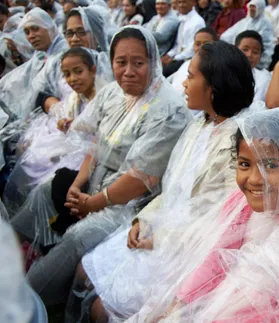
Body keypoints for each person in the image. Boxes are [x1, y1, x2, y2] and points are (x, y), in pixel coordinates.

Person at [74, 41, 256, 322]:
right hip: (164, 227)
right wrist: (143, 220)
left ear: (214, 87)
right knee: (86, 273)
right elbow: (174, 188)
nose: (183, 82)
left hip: (190, 248)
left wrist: (161, 238)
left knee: (101, 309)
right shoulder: (201, 124)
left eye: (192, 76)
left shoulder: (238, 142)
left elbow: (221, 222)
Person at [9, 26, 191, 307]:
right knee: (45, 191)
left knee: (79, 237)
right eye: (121, 62)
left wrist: (92, 203)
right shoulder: (114, 94)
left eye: (138, 63)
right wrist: (77, 185)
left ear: (153, 62)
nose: (128, 71)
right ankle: (12, 261)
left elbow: (139, 180)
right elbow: (97, 146)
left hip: (129, 205)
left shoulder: (169, 110)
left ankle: (28, 299)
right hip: (94, 189)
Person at [125, 106, 279, 322]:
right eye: (245, 164)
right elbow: (216, 256)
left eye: (270, 165)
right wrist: (180, 305)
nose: (254, 178)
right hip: (215, 304)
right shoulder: (241, 203)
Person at [2, 47, 105, 217]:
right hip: (74, 146)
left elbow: (98, 130)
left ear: (92, 70)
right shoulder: (75, 97)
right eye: (67, 74)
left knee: (47, 183)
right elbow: (69, 119)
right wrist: (65, 123)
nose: (73, 79)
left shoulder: (102, 95)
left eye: (78, 72)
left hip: (92, 152)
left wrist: (79, 125)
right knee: (31, 160)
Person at [0, 8, 68, 120]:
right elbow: (23, 75)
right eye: (27, 32)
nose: (31, 36)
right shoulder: (41, 54)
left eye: (35, 29)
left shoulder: (64, 52)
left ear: (49, 27)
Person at [166, 27, 217, 102]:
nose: (201, 48)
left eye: (206, 44)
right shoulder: (187, 63)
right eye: (197, 44)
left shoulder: (216, 69)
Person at [220, 0, 273, 69]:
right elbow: (226, 36)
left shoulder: (265, 24)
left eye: (254, 7)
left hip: (257, 64)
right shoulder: (245, 21)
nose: (251, 9)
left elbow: (264, 45)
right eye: (250, 7)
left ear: (260, 8)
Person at [162, 0, 205, 77]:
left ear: (194, 3)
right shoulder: (182, 19)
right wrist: (168, 55)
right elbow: (178, 44)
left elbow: (192, 48)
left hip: (189, 59)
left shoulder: (197, 22)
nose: (181, 5)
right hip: (179, 57)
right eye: (179, 2)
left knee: (164, 72)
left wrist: (174, 58)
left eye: (184, 2)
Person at [236, 30, 271, 102]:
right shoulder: (222, 72)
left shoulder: (263, 78)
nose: (249, 55)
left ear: (261, 55)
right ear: (234, 50)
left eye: (255, 52)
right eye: (245, 49)